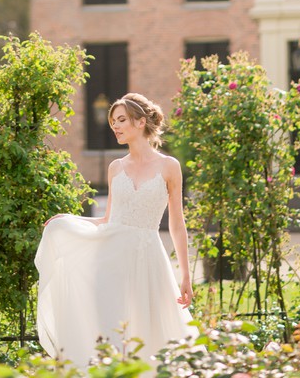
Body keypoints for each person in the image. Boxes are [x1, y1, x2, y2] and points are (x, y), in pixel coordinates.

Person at [34, 92, 195, 366]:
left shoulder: (169, 166)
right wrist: (67, 219)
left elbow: (177, 225)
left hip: (147, 259)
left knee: (149, 331)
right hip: (109, 260)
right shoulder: (116, 167)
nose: (115, 127)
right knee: (111, 330)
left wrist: (185, 276)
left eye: (121, 120)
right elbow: (108, 220)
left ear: (141, 122)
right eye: (113, 123)